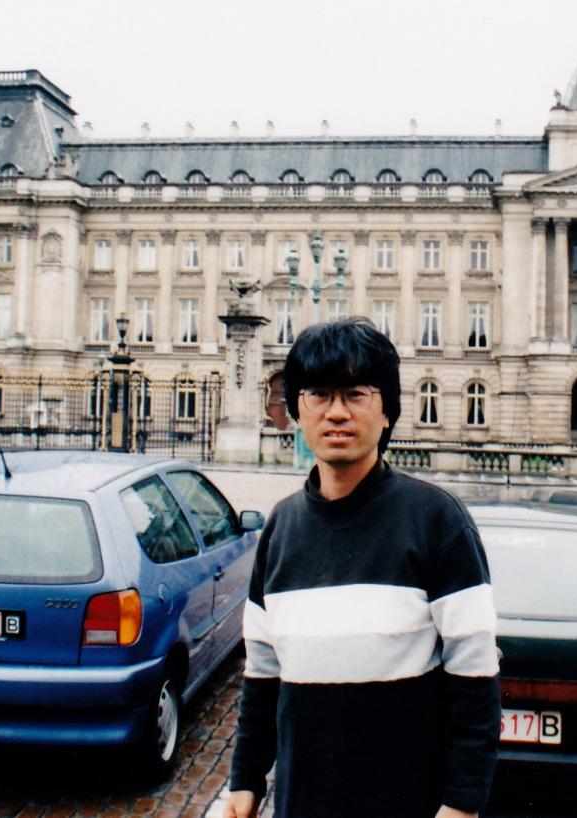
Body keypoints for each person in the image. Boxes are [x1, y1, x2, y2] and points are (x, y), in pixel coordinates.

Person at [225, 318, 501, 818]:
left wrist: (461, 805)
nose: (336, 412)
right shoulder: (281, 527)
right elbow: (263, 676)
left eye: (355, 394)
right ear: (297, 411)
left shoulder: (437, 519)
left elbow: (475, 678)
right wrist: (245, 781)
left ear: (387, 411)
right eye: (319, 394)